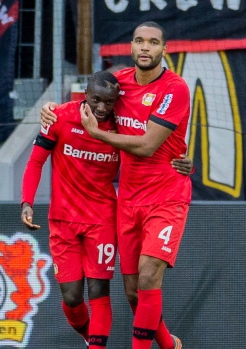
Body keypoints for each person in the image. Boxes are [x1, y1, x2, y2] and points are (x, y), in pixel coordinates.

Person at [42, 22, 191, 349]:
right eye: (139, 40)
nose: (145, 47)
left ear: (164, 50)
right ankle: (171, 346)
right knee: (134, 293)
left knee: (150, 274)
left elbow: (148, 145)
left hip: (166, 196)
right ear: (132, 46)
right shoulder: (118, 83)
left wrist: (99, 135)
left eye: (153, 42)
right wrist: (50, 111)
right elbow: (79, 108)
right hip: (128, 199)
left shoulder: (175, 89)